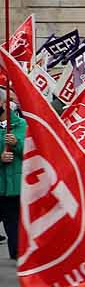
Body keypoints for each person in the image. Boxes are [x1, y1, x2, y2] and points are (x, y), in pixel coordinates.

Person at [0, 99, 23, 260]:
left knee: (16, 219)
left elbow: (32, 150)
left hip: (18, 183)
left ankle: (18, 250)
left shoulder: (22, 125)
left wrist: (17, 144)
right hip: (1, 183)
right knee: (10, 219)